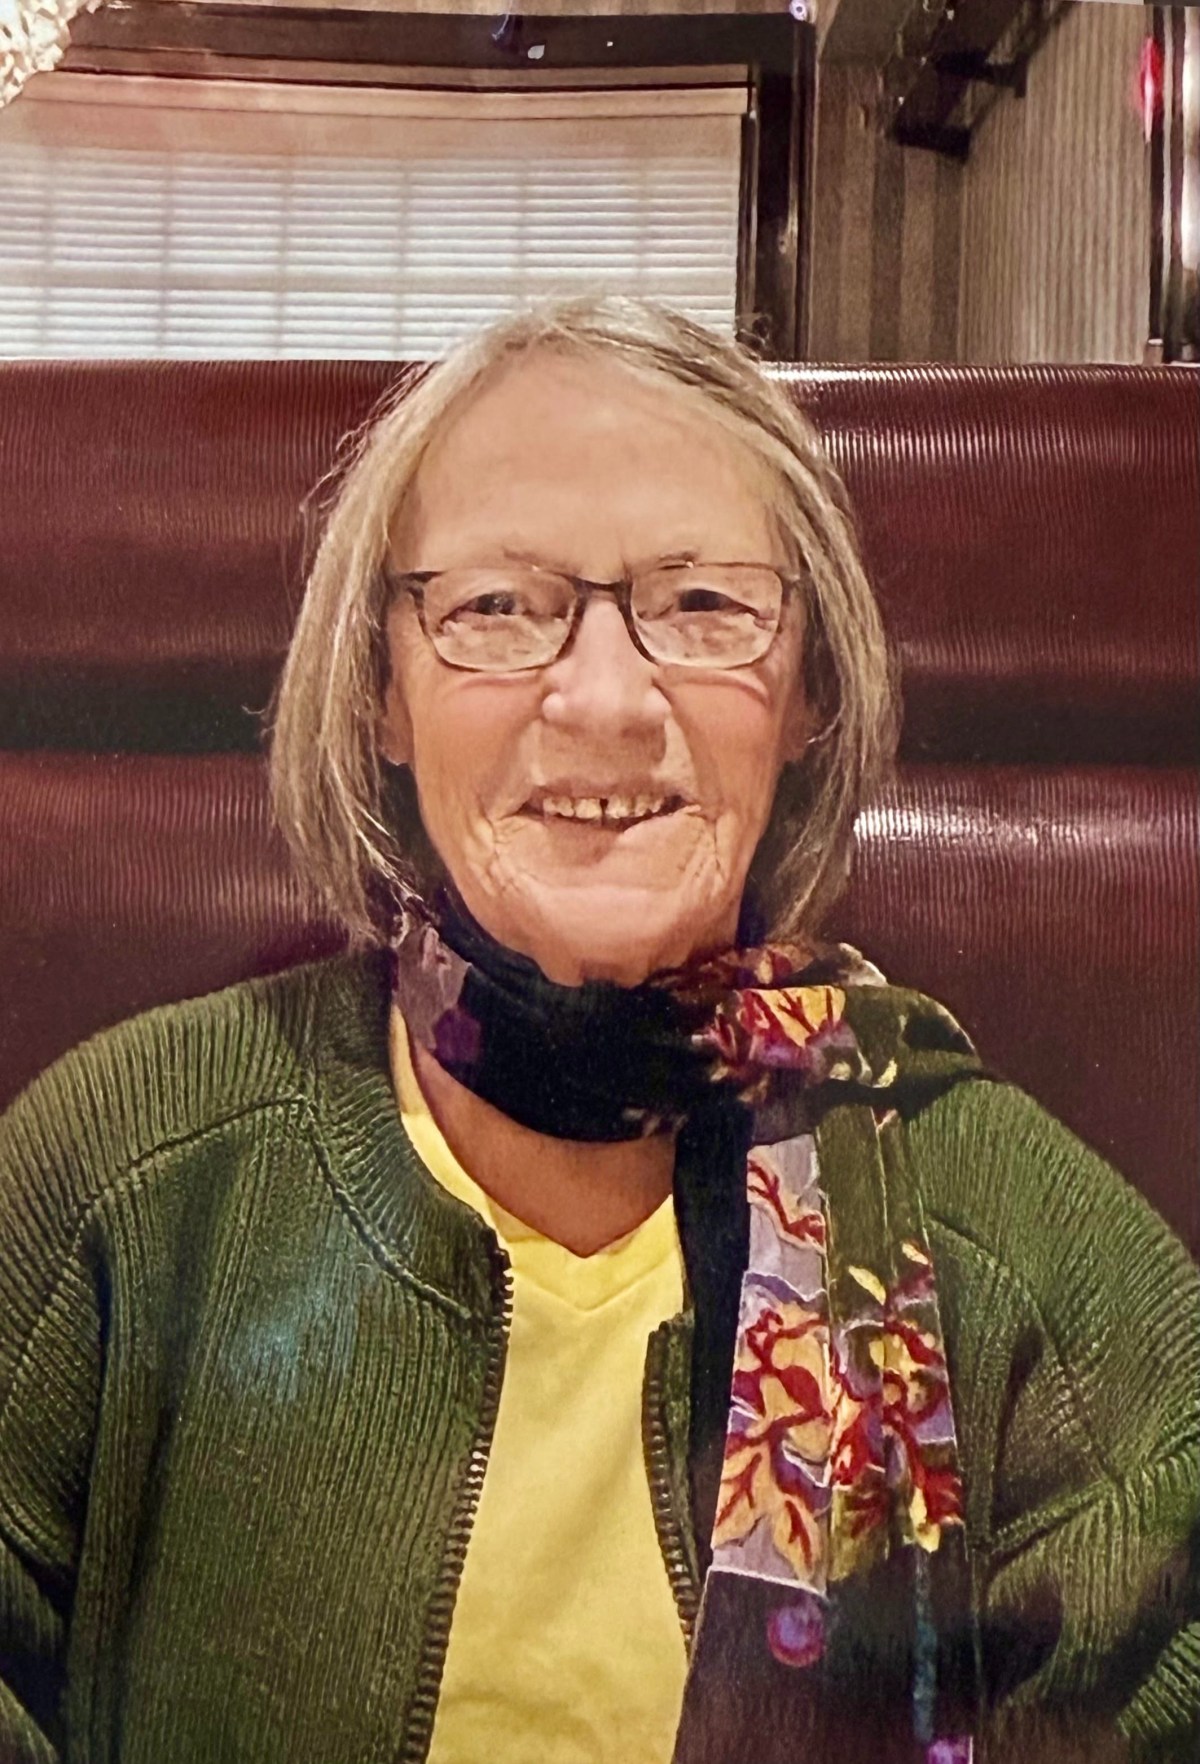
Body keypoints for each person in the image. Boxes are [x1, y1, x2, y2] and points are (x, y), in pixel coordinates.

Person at [0, 296, 1196, 1764]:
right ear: (382, 690)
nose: (608, 698)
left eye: (704, 607)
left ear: (809, 691)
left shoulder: (1023, 1245)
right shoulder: (119, 1170)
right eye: (497, 607)